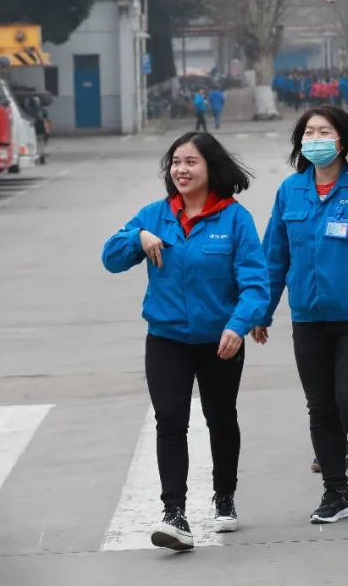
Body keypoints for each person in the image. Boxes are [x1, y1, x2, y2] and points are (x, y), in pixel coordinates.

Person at [102, 132, 269, 551]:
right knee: (170, 420)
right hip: (167, 338)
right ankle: (174, 513)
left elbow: (255, 284)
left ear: (211, 167)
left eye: (191, 162)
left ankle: (224, 495)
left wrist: (237, 325)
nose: (181, 169)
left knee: (221, 417)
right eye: (176, 162)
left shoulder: (235, 219)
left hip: (220, 341)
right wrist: (137, 238)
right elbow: (110, 259)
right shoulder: (154, 215)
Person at [254, 106, 348, 525]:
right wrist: (262, 310)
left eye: (324, 132)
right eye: (308, 132)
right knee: (320, 407)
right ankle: (336, 491)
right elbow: (274, 256)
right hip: (309, 316)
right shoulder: (291, 190)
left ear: (342, 141)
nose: (314, 139)